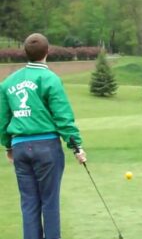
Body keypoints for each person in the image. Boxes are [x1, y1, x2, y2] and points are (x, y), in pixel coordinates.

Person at [0, 33, 87, 239]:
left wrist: (8, 146)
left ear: (25, 53)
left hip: (20, 147)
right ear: (47, 52)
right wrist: (77, 147)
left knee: (29, 203)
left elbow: (2, 121)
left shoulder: (7, 83)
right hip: (47, 147)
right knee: (49, 202)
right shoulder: (50, 79)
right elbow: (63, 117)